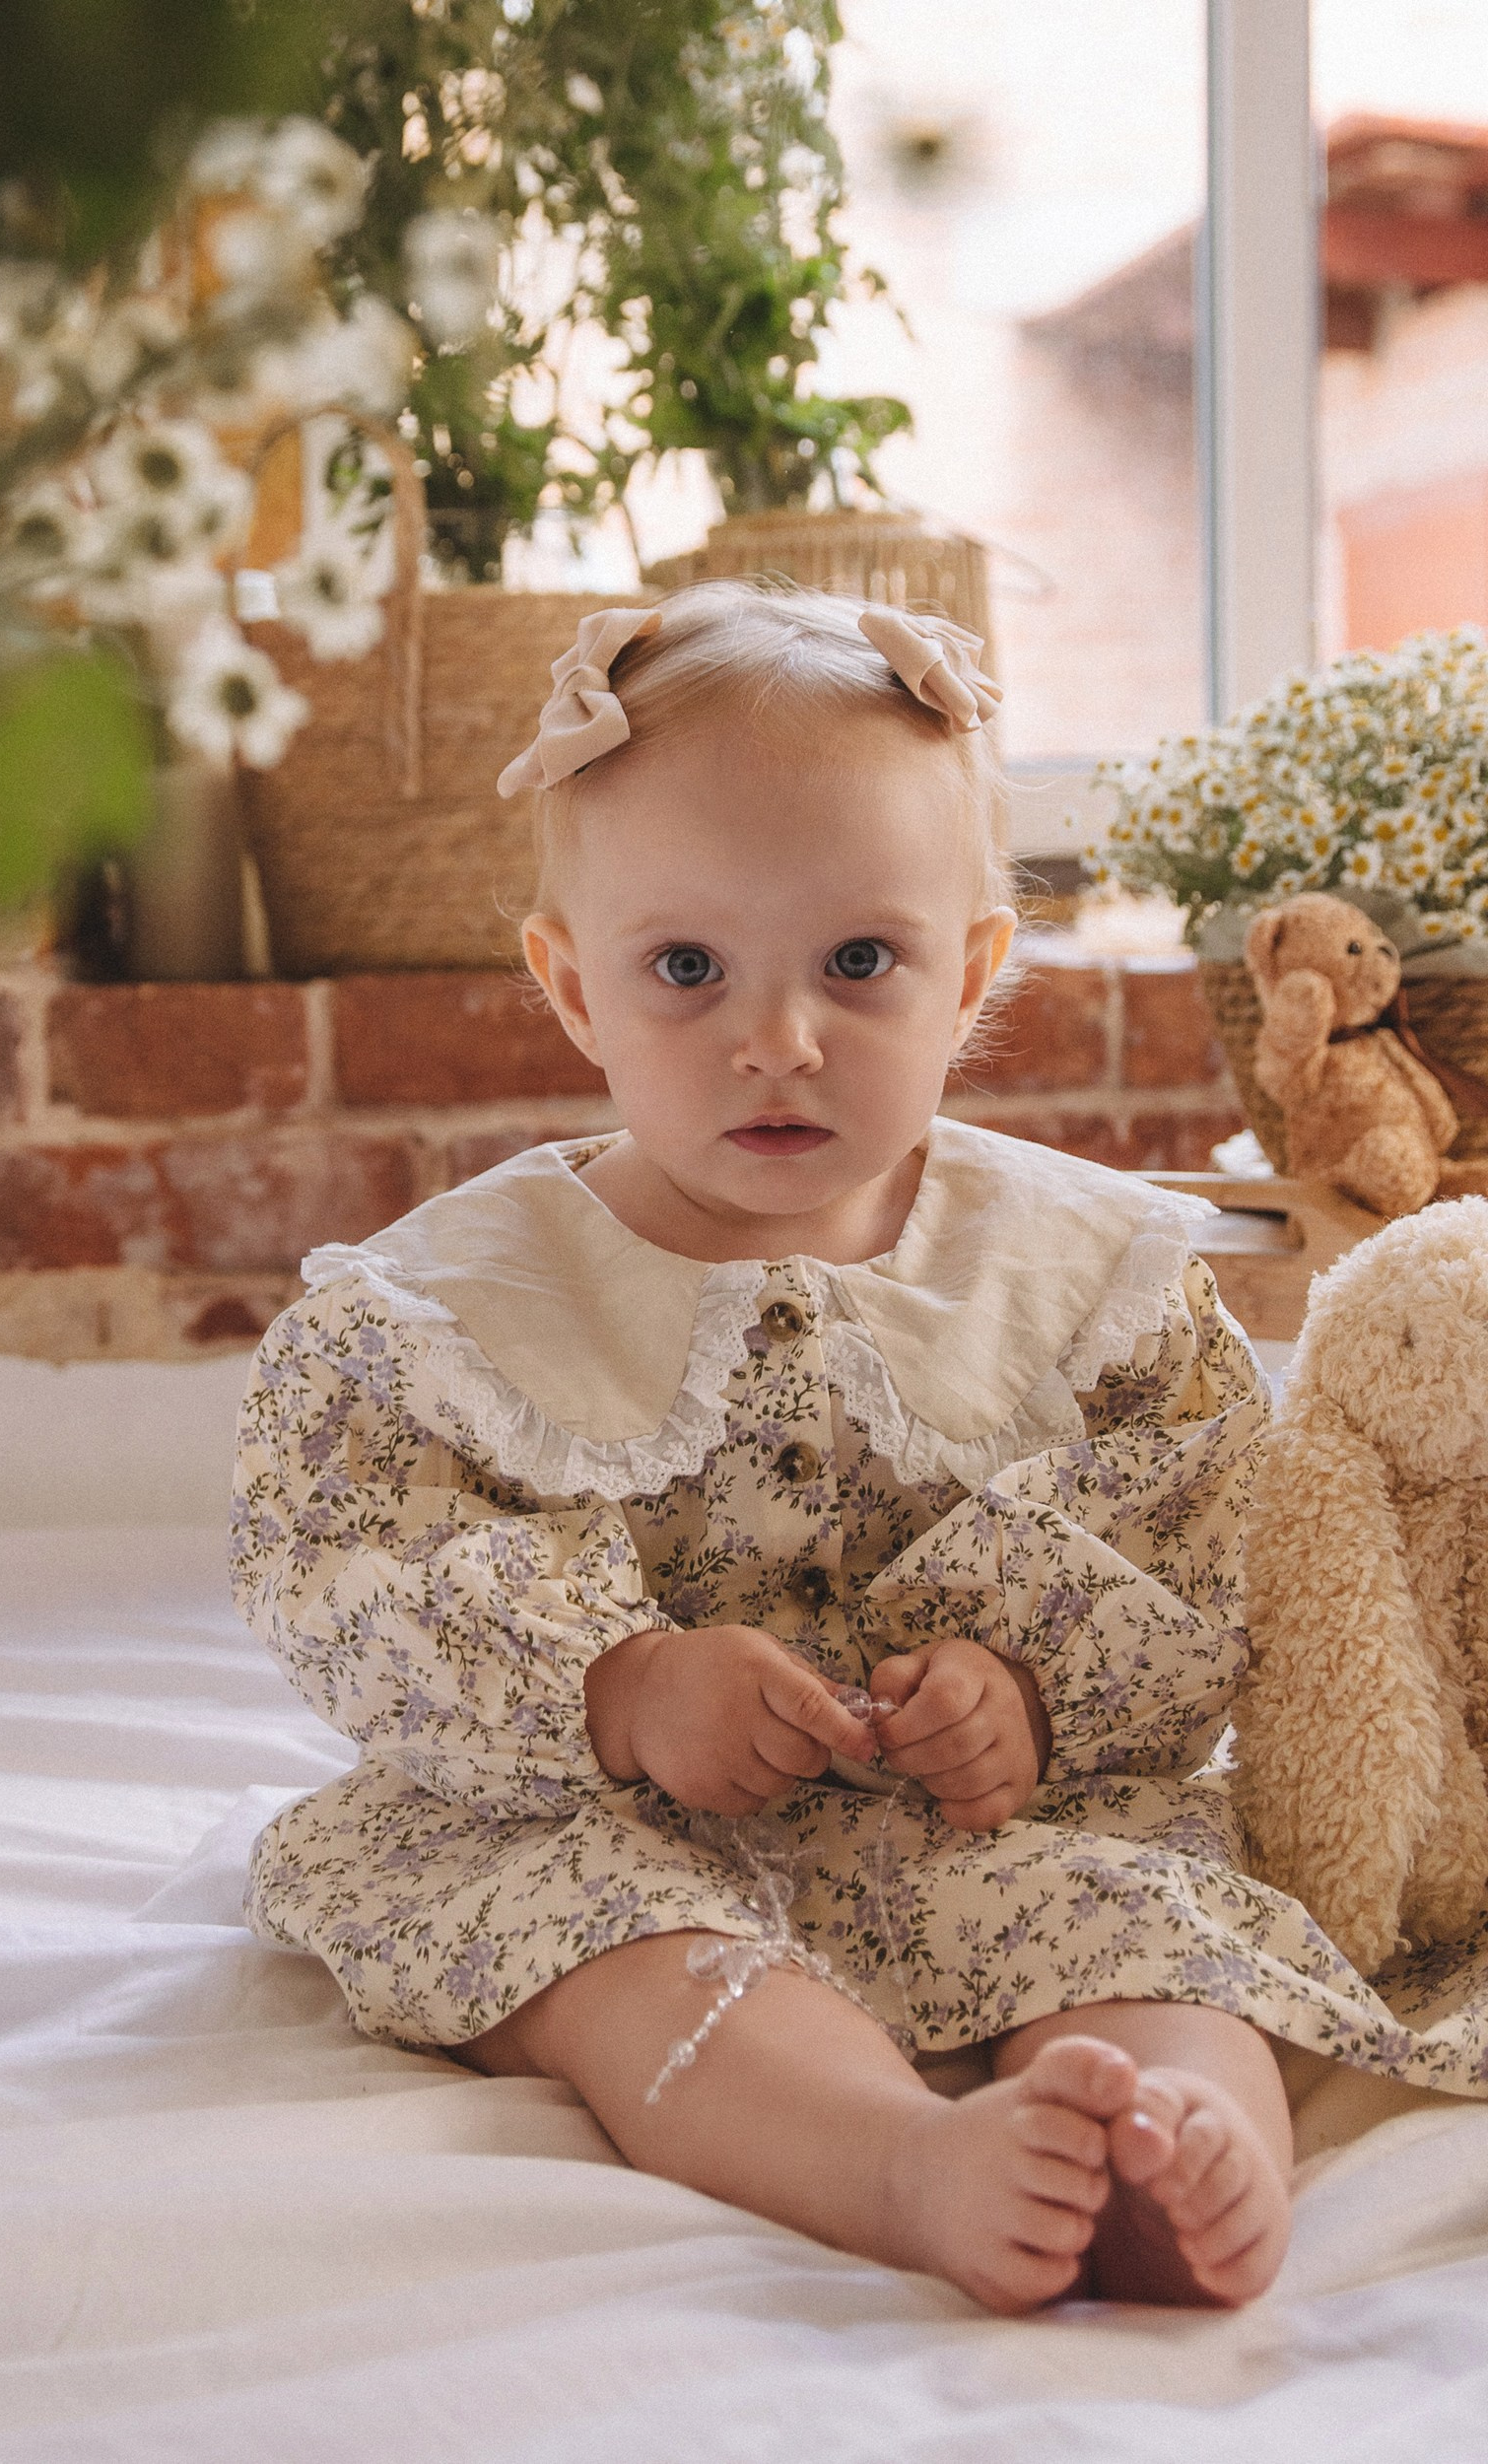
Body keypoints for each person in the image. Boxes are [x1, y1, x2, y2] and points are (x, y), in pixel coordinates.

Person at [228, 582, 1402, 2312]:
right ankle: (900, 2162)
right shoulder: (460, 1305)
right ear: (572, 987)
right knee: (611, 1957)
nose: (775, 1040)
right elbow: (337, 1560)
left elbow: (1207, 1537)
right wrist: (614, 1684)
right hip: (614, 1817)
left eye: (859, 963)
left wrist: (1031, 1692)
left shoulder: (1085, 1272)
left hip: (996, 1819)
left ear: (974, 971)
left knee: (1157, 1916)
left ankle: (1181, 2142)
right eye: (686, 970)